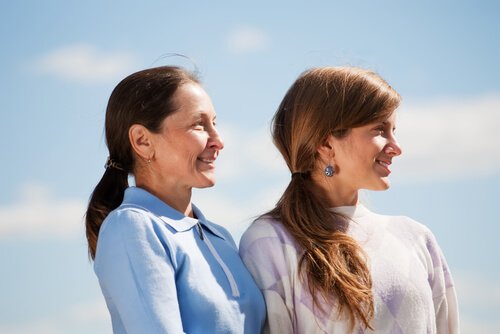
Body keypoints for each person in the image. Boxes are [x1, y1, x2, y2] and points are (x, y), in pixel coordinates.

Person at [239, 66, 460, 333]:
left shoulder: (416, 238)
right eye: (380, 130)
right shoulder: (270, 240)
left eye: (393, 130)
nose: (396, 147)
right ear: (327, 144)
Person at [85, 66, 265, 334]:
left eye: (214, 123)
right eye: (199, 125)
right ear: (143, 140)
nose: (218, 141)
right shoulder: (131, 227)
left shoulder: (221, 237)